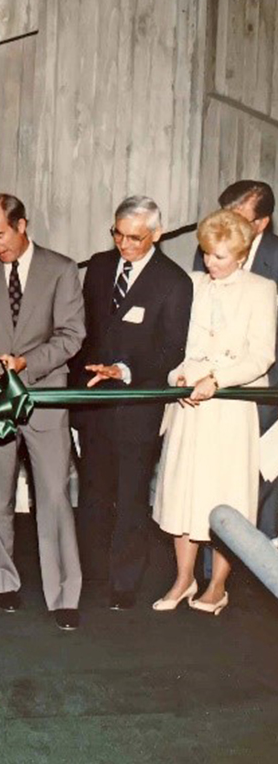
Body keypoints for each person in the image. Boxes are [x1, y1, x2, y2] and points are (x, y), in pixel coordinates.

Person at [0, 194, 85, 631]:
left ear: (22, 225)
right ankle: (3, 581)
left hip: (45, 397)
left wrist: (27, 363)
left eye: (0, 234)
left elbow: (72, 336)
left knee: (53, 495)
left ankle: (64, 594)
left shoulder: (62, 269)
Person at [71, 195, 193, 610]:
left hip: (137, 408)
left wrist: (124, 371)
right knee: (92, 491)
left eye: (135, 238)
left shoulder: (174, 282)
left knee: (131, 496)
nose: (124, 245)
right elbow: (85, 333)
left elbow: (171, 348)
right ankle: (91, 573)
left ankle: (124, 584)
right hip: (93, 404)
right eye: (118, 235)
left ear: (156, 235)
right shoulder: (100, 268)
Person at [152, 210, 276, 615]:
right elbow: (173, 344)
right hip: (189, 407)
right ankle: (183, 579)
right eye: (206, 253)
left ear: (241, 254)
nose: (210, 263)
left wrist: (217, 380)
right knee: (182, 494)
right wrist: (177, 377)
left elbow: (261, 356)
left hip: (229, 407)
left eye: (220, 256)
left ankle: (218, 585)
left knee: (226, 495)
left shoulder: (262, 290)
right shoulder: (190, 284)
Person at [193, 181, 278, 540]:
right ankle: (215, 574)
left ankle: (260, 569)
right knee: (214, 479)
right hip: (215, 389)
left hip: (266, 389)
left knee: (261, 481)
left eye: (239, 216)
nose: (227, 222)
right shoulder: (209, 252)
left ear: (261, 223)